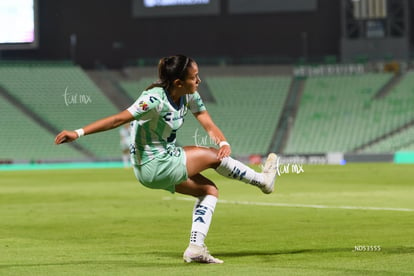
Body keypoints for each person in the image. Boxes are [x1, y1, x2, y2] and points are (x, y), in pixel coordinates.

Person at [54, 55, 278, 264]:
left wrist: (223, 142)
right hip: (155, 164)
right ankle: (262, 181)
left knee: (209, 190)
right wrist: (78, 132)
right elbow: (117, 119)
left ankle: (196, 248)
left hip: (160, 165)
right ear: (178, 82)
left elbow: (206, 121)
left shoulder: (189, 95)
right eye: (194, 77)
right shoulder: (153, 99)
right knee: (211, 156)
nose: (199, 80)